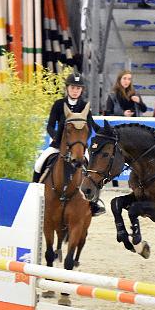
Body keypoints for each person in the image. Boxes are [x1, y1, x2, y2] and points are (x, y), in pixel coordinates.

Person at [33, 72, 105, 216]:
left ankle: (94, 203)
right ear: (67, 88)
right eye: (73, 87)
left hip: (78, 147)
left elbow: (90, 126)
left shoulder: (84, 106)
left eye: (78, 88)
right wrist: (56, 138)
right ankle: (34, 197)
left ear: (81, 90)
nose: (75, 90)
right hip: (58, 145)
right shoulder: (59, 104)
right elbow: (50, 126)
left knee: (92, 169)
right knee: (39, 164)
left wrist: (86, 140)